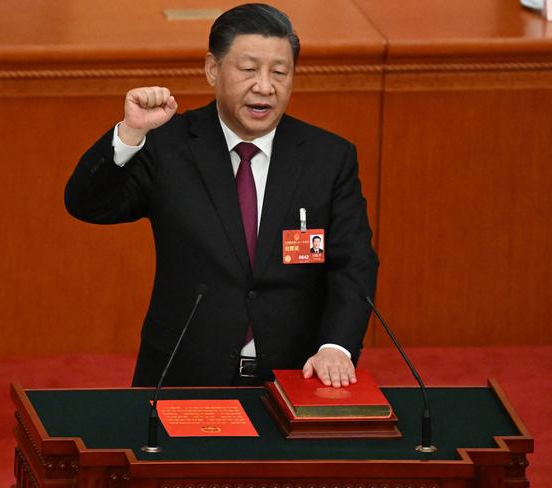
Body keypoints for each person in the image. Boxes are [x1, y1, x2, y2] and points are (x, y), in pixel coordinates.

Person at [65, 3, 378, 388]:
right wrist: (130, 134)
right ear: (213, 69)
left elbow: (353, 263)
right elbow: (87, 204)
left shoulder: (328, 158)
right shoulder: (169, 147)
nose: (265, 86)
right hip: (185, 374)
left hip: (295, 375)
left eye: (280, 72)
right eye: (248, 70)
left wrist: (336, 346)